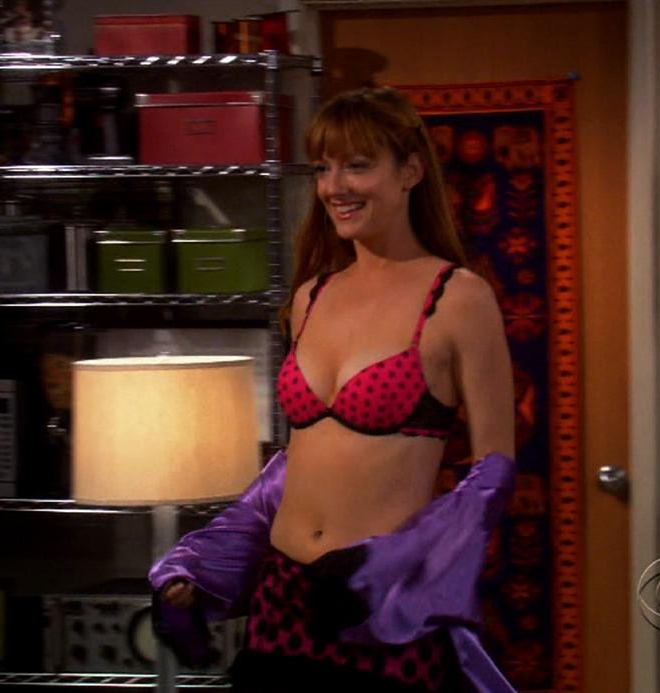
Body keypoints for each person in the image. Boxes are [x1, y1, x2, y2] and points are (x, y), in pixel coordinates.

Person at [150, 86, 517, 693]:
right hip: (281, 601)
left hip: (380, 610)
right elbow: (294, 466)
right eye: (323, 168)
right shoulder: (311, 296)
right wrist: (207, 558)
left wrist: (386, 564)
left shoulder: (458, 299)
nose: (334, 187)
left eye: (357, 165)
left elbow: (493, 474)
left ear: (411, 172)